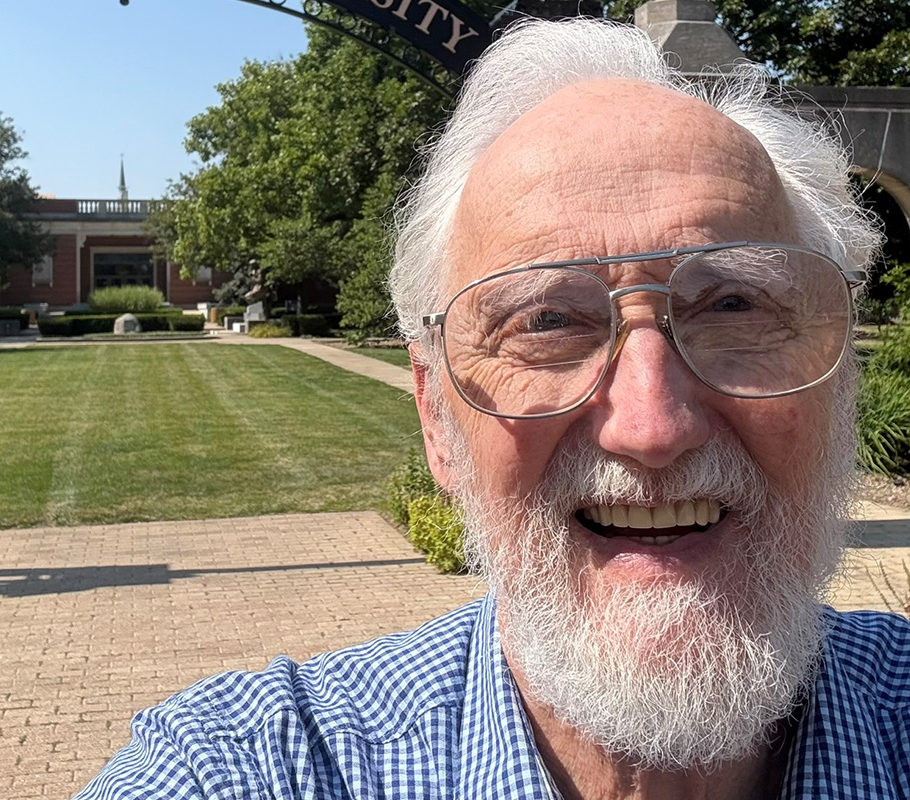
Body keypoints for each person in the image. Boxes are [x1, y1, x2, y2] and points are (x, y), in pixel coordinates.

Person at [73, 18, 909, 800]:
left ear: (838, 380)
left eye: (733, 305)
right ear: (437, 415)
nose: (653, 427)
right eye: (546, 321)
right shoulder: (253, 770)